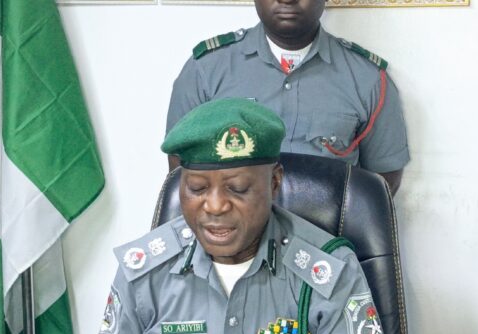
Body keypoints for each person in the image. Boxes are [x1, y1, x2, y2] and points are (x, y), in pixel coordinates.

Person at [99, 98, 397, 334]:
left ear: (274, 182)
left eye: (237, 188)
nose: (215, 206)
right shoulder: (143, 275)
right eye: (197, 188)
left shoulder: (327, 271)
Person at [165, 0, 409, 196]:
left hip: (326, 238)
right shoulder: (206, 70)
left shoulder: (367, 79)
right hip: (232, 236)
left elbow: (383, 180)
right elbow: (181, 168)